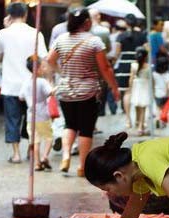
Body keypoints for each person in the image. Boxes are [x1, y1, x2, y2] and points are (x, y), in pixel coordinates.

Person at [47, 7, 119, 177]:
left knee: (70, 125)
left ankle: (65, 157)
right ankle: (82, 167)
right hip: (87, 91)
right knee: (86, 129)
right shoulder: (94, 42)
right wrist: (114, 87)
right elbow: (105, 68)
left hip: (66, 91)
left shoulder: (61, 39)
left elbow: (49, 60)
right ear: (87, 22)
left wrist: (61, 72)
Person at [0, 2, 47, 163]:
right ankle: (32, 150)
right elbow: (43, 57)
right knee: (32, 118)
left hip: (10, 85)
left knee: (12, 119)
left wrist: (5, 27)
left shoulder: (3, 33)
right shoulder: (35, 33)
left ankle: (16, 154)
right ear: (25, 14)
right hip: (31, 85)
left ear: (9, 15)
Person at [19, 56, 54, 171]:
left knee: (35, 141)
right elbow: (50, 92)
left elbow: (21, 97)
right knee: (49, 137)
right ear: (37, 68)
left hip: (30, 116)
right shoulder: (42, 82)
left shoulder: (26, 83)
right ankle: (44, 157)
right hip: (43, 114)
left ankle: (37, 164)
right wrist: (55, 87)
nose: (44, 69)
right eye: (42, 66)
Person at [114, 13, 147, 121]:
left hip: (124, 66)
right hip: (138, 65)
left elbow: (117, 53)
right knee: (139, 92)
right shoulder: (142, 35)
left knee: (127, 93)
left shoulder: (120, 36)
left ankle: (128, 119)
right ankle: (139, 121)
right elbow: (147, 50)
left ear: (126, 23)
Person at [128, 47, 151, 136]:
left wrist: (130, 89)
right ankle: (141, 126)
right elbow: (150, 79)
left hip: (136, 86)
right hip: (145, 87)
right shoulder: (148, 66)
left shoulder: (133, 65)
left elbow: (131, 78)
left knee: (137, 106)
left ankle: (138, 123)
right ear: (146, 56)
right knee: (143, 108)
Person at [153, 55, 169, 122]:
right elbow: (168, 86)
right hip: (166, 95)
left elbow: (153, 85)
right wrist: (167, 94)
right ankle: (164, 120)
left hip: (157, 94)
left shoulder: (154, 74)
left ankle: (158, 119)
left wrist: (153, 94)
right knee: (165, 108)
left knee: (158, 108)